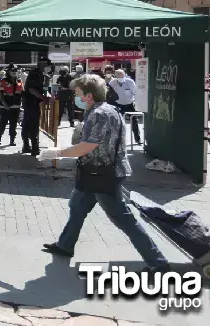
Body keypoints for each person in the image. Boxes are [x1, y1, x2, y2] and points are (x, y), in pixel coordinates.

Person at [40, 74, 169, 274]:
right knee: (77, 206)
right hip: (94, 172)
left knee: (124, 220)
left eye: (78, 93)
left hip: (102, 173)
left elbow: (88, 146)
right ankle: (65, 245)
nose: (76, 97)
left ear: (89, 95)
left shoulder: (99, 114)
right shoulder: (105, 110)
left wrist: (58, 153)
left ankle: (158, 263)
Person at [21, 56, 50, 156]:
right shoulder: (35, 74)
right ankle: (34, 147)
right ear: (43, 64)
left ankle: (26, 146)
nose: (48, 67)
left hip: (30, 102)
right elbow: (31, 89)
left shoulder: (39, 74)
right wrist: (43, 97)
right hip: (31, 102)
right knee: (32, 125)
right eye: (47, 65)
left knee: (27, 123)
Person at [109, 68, 142, 142]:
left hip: (129, 104)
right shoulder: (112, 83)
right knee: (117, 122)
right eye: (119, 76)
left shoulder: (130, 82)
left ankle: (138, 139)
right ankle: (117, 140)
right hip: (118, 104)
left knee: (134, 122)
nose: (121, 78)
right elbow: (109, 93)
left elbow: (135, 93)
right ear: (116, 76)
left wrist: (137, 102)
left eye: (122, 76)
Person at [0, 65, 22, 146]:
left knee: (13, 123)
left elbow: (21, 91)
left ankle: (12, 140)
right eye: (12, 71)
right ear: (8, 72)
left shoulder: (19, 81)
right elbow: (0, 92)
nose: (14, 72)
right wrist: (3, 102)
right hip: (5, 105)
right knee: (3, 122)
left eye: (15, 71)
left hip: (16, 105)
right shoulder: (4, 81)